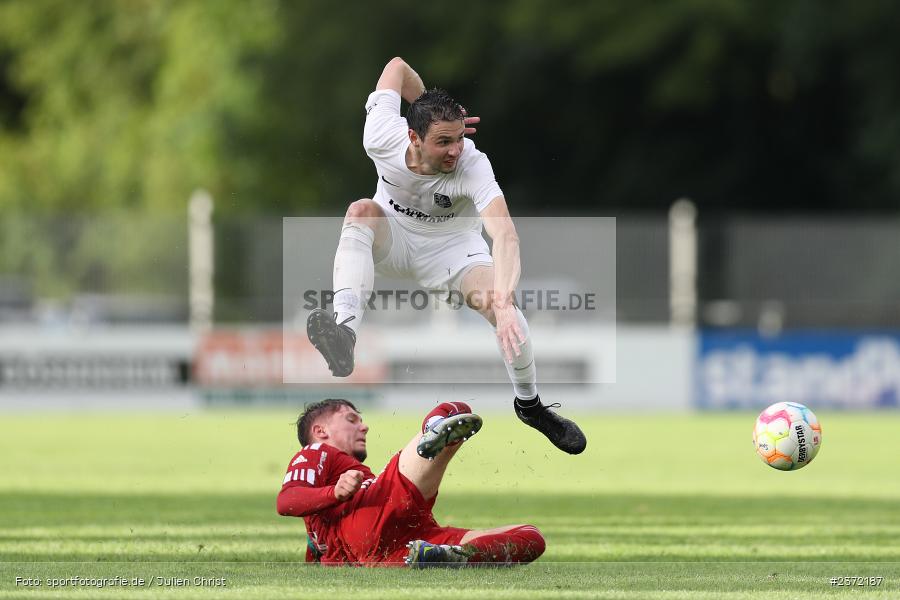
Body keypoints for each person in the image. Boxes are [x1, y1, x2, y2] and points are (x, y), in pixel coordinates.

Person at [306, 57, 586, 455]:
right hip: (396, 238)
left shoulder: (473, 164)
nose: (456, 149)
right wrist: (424, 104)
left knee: (506, 312)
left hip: (454, 250)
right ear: (413, 137)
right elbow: (397, 66)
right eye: (443, 141)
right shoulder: (380, 136)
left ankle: (531, 406)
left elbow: (504, 234)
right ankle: (345, 332)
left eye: (458, 138)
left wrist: (504, 303)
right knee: (359, 211)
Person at [276, 398, 546, 567]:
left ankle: (446, 556)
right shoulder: (315, 452)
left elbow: (316, 548)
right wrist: (335, 492)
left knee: (531, 538)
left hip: (398, 549)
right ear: (320, 431)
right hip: (374, 511)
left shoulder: (345, 473)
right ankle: (435, 428)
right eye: (351, 419)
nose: (364, 426)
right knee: (457, 408)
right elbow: (286, 501)